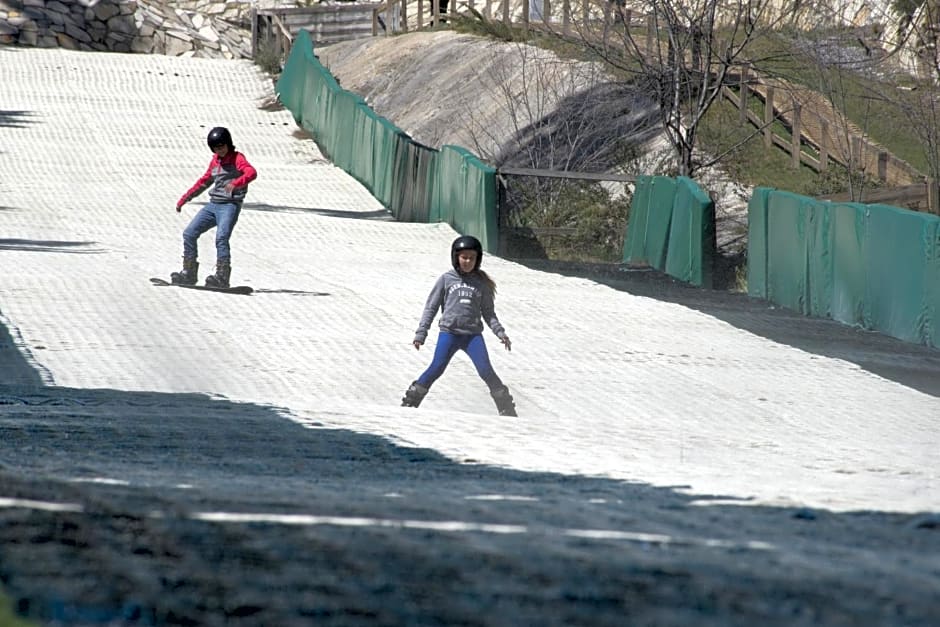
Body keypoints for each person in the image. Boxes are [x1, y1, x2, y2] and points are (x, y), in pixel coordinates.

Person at [401, 235, 517, 416]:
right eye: (464, 257)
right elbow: (430, 308)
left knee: (486, 370)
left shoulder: (481, 284)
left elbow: (488, 313)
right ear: (456, 258)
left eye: (472, 258)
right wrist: (421, 333)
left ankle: (506, 408)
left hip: (472, 336)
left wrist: (500, 333)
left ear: (478, 259)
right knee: (436, 368)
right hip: (449, 334)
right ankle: (410, 402)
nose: (468, 261)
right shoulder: (446, 280)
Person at [170, 126, 257, 288]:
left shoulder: (237, 158)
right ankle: (189, 272)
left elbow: (251, 173)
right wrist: (185, 198)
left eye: (222, 146)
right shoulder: (215, 161)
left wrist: (236, 183)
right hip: (213, 205)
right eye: (216, 148)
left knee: (221, 238)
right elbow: (204, 182)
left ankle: (222, 276)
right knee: (189, 233)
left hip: (229, 206)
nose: (220, 150)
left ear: (228, 144)